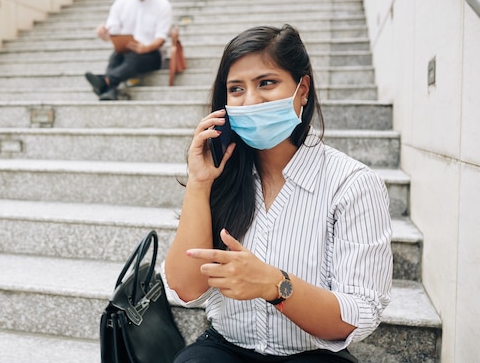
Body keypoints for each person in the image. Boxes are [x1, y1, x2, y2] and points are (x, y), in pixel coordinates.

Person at [162, 25, 393, 363]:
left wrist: (274, 285)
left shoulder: (352, 183)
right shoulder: (222, 177)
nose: (251, 100)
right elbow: (185, 288)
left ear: (302, 89)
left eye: (266, 83)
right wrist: (199, 183)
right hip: (226, 346)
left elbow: (359, 313)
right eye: (236, 89)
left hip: (311, 353)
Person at [85, 0, 173, 101]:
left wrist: (145, 48)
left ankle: (104, 82)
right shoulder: (120, 4)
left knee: (131, 57)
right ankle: (110, 89)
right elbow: (111, 32)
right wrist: (103, 34)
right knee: (116, 56)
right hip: (125, 52)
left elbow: (161, 38)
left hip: (151, 55)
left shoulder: (163, 5)